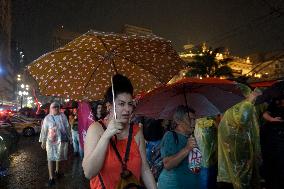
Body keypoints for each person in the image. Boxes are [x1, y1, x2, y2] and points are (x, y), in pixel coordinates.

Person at [82, 74, 157, 189]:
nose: (127, 109)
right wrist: (106, 136)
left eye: (130, 104)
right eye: (121, 104)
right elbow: (89, 172)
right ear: (109, 106)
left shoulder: (136, 131)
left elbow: (145, 169)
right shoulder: (96, 129)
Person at [217, 88, 262, 189]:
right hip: (238, 151)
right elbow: (242, 120)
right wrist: (249, 101)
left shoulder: (231, 106)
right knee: (239, 180)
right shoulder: (240, 106)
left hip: (236, 152)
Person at [158, 105, 200, 189]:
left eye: (194, 119)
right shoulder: (170, 136)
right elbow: (167, 164)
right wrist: (187, 149)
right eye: (189, 119)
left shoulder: (190, 137)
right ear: (178, 121)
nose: (193, 123)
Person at [39, 102, 71, 187]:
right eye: (54, 107)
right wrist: (43, 141)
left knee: (59, 156)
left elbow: (67, 127)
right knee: (50, 158)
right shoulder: (47, 118)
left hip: (61, 141)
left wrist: (70, 137)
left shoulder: (63, 116)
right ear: (50, 108)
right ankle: (51, 178)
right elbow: (44, 130)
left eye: (57, 106)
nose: (56, 108)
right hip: (51, 141)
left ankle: (57, 171)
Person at [262, 96, 284, 189]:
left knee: (281, 161)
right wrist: (272, 119)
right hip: (271, 135)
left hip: (281, 136)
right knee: (271, 160)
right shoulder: (276, 101)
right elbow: (265, 114)